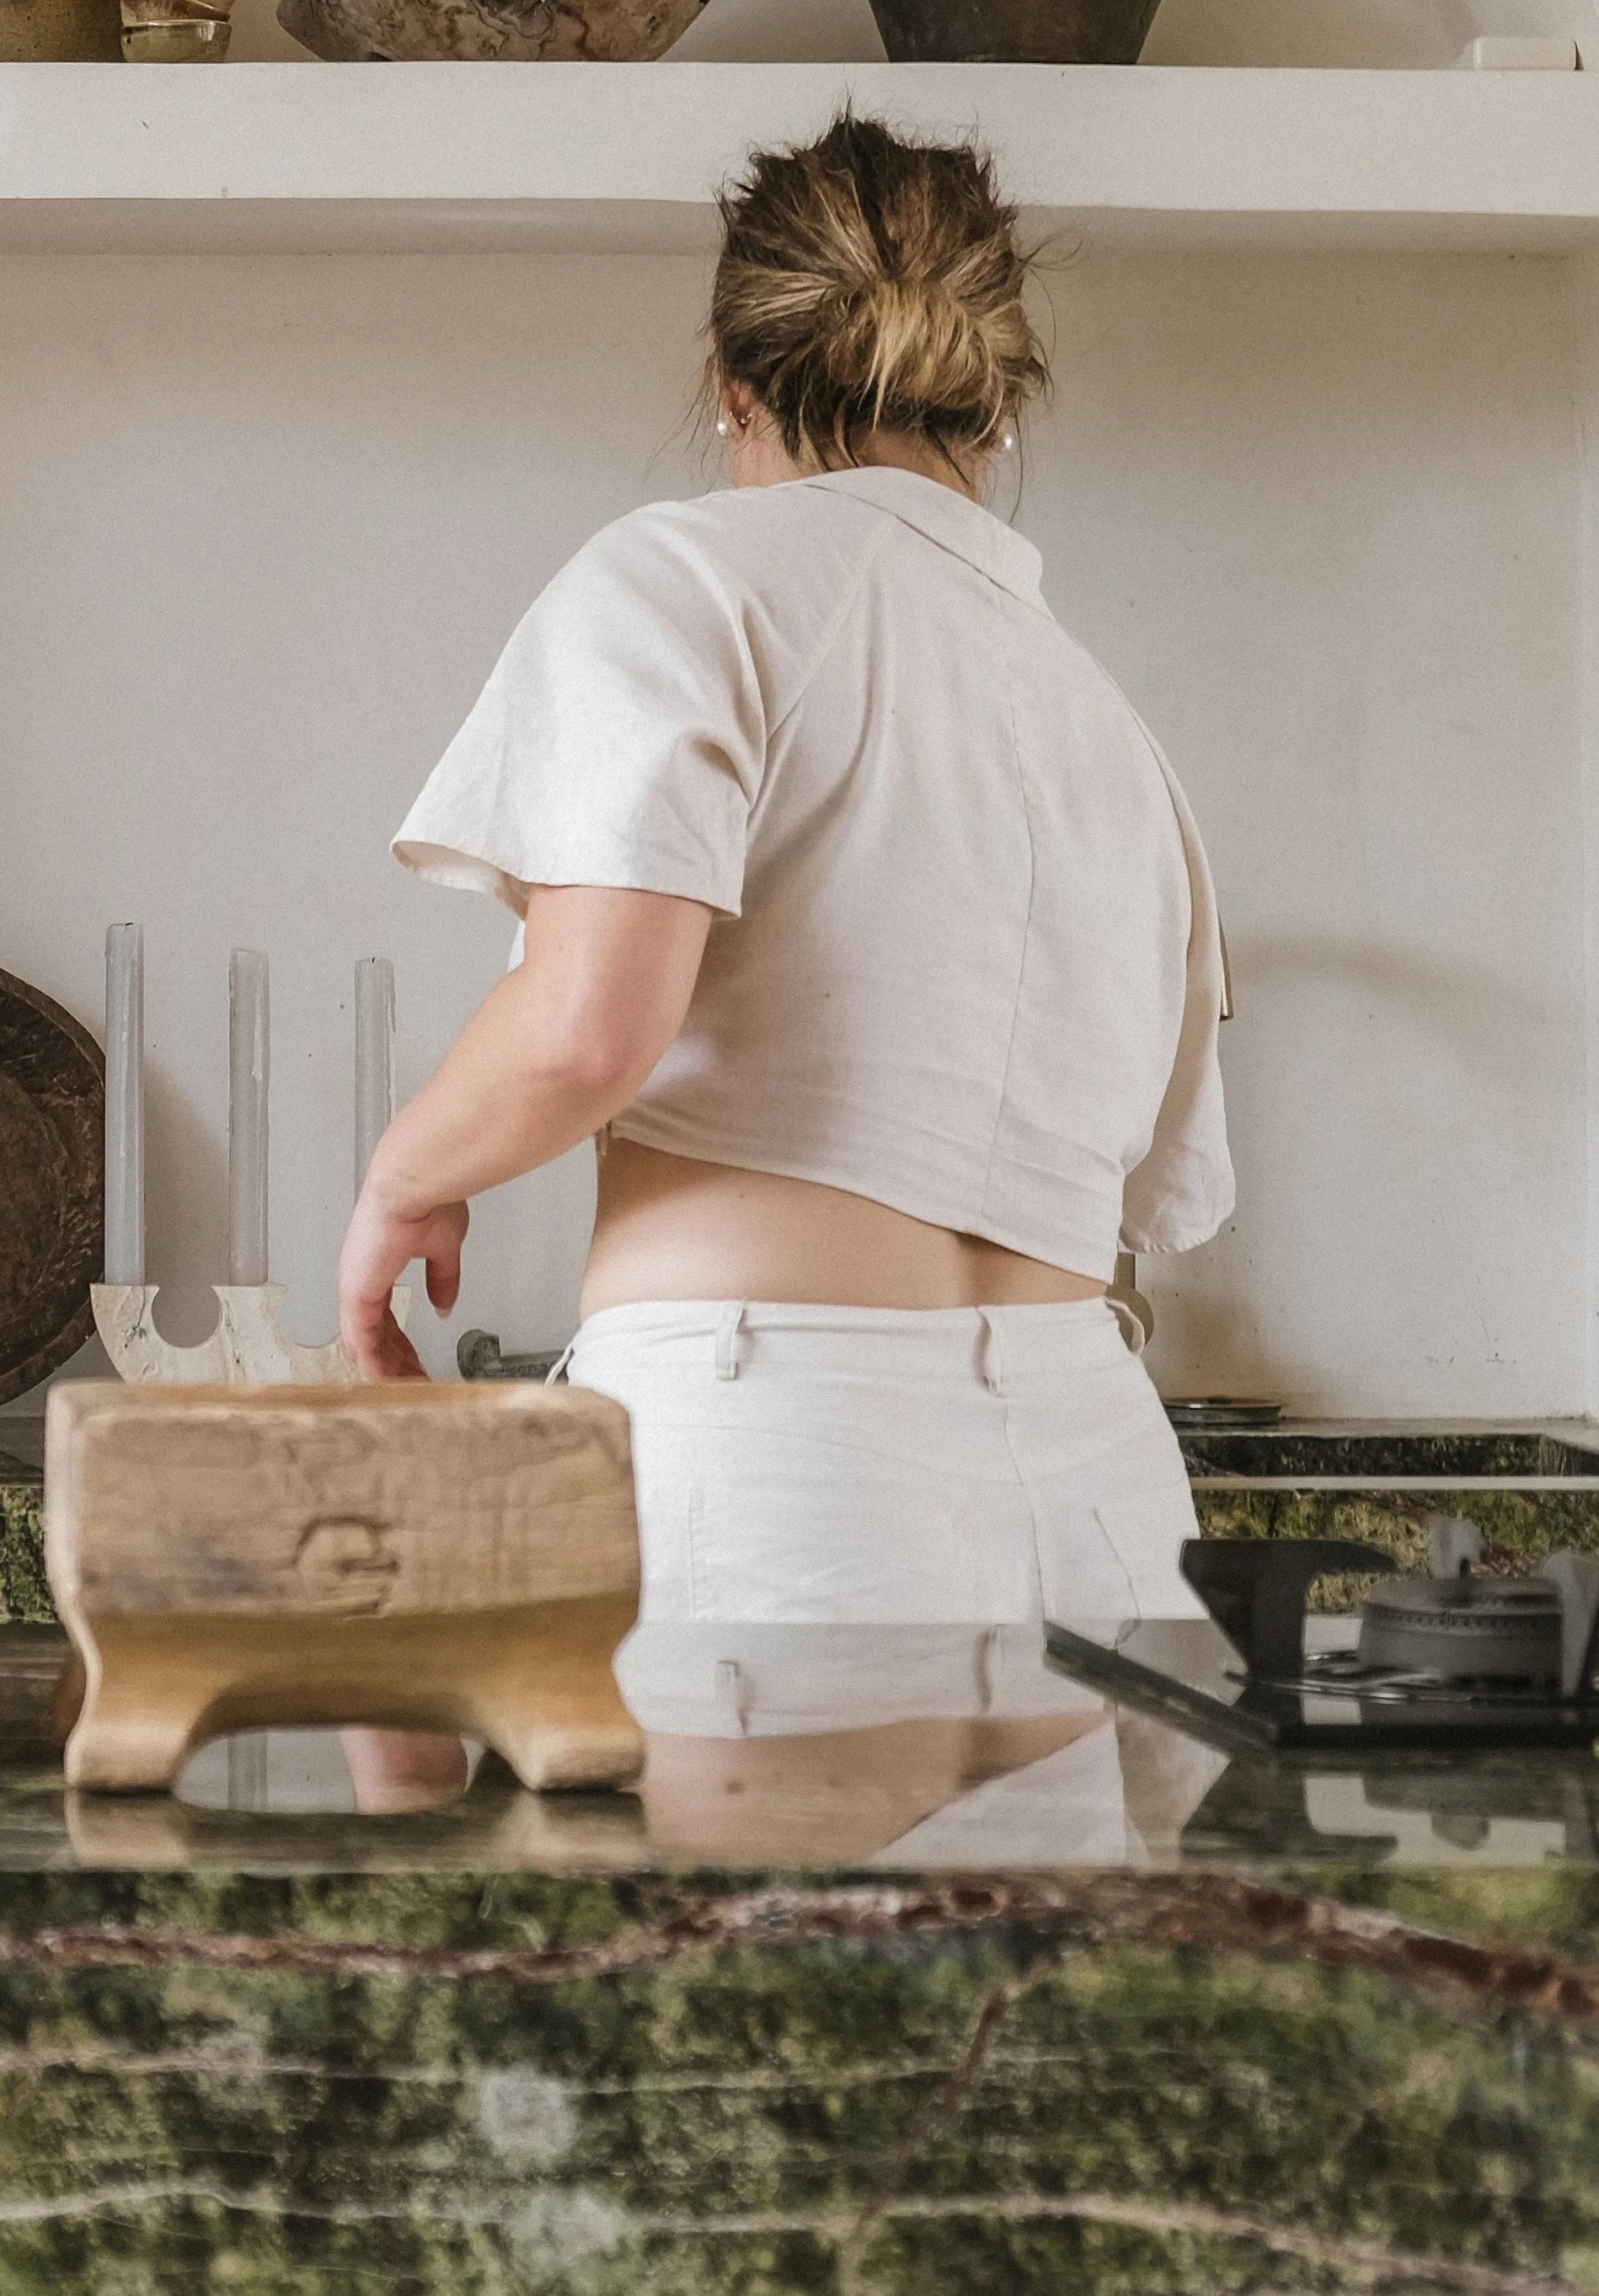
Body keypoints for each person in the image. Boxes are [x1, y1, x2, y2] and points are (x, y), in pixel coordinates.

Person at [341, 115, 1230, 1627]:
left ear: (727, 381)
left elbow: (585, 1032)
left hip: (789, 1448)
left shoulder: (681, 581)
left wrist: (404, 1178)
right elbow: (1155, 1179)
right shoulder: (1109, 722)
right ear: (997, 408)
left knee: (769, 1880)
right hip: (1102, 1472)